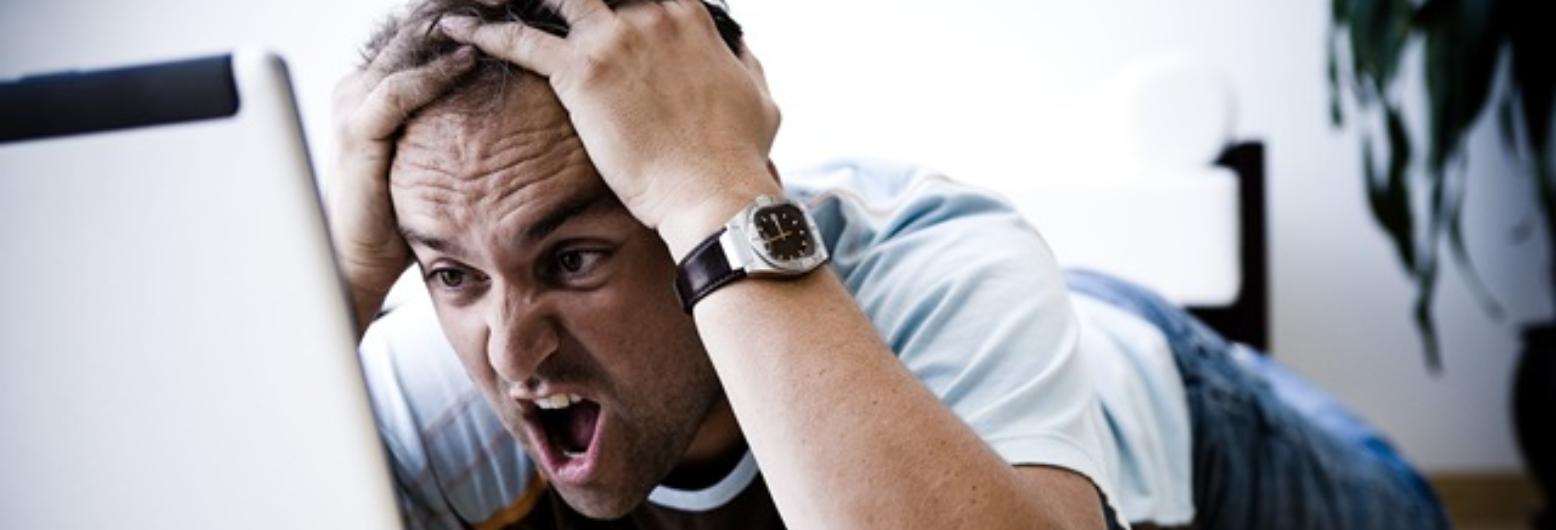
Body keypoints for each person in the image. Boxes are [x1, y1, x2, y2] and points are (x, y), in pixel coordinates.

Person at [328, 0, 1450, 528]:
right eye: (452, 275)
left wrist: (716, 190)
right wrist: (339, 281)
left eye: (574, 258)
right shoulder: (446, 369)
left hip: (1190, 420)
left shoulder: (946, 267)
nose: (511, 352)